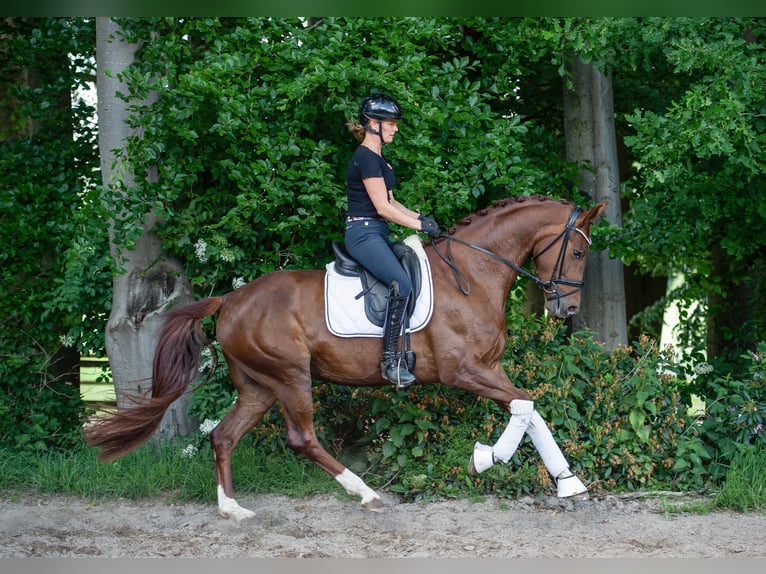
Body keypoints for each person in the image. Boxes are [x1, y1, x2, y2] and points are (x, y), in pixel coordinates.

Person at [344, 94, 441, 387]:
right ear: (373, 124)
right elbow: (382, 209)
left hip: (377, 232)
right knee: (403, 283)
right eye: (391, 123)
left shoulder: (379, 160)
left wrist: (421, 217)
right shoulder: (365, 158)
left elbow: (391, 200)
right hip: (363, 234)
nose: (395, 129)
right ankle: (389, 360)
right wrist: (418, 227)